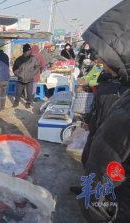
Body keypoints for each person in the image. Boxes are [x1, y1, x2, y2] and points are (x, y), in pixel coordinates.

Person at [76, 1, 130, 222]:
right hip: (101, 112)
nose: (97, 60)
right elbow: (87, 80)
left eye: (102, 56)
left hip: (111, 207)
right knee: (88, 154)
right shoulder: (104, 71)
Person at [12, 44, 40, 108]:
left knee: (29, 92)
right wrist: (19, 75)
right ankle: (16, 103)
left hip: (30, 78)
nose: (29, 52)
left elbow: (37, 66)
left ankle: (28, 104)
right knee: (18, 92)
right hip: (21, 79)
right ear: (24, 51)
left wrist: (33, 73)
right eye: (28, 51)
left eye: (30, 51)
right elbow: (14, 69)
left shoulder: (33, 58)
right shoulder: (19, 59)